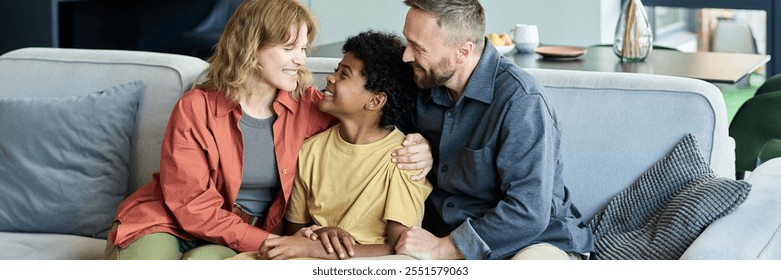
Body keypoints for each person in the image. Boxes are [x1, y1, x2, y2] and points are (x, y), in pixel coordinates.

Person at [103, 0, 432, 260]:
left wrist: (422, 146)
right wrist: (279, 241)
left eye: (304, 49)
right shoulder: (195, 107)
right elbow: (192, 206)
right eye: (289, 49)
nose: (300, 61)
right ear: (250, 48)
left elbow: (370, 116)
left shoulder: (309, 105)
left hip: (240, 237)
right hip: (166, 222)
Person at [394, 0, 595, 260]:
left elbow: (528, 212)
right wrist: (416, 143)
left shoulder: (521, 101)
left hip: (533, 241)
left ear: (463, 51)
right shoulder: (422, 77)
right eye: (407, 41)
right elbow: (379, 131)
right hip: (441, 235)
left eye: (418, 48)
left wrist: (446, 248)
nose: (406, 56)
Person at [228, 30, 432, 260]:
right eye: (336, 70)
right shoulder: (311, 150)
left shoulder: (405, 159)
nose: (330, 78)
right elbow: (295, 230)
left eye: (344, 75)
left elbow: (401, 249)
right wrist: (319, 236)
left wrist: (320, 250)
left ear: (375, 100)